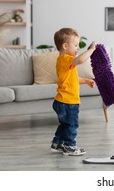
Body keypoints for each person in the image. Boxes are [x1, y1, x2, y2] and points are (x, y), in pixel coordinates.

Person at [50, 27, 96, 156]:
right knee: (71, 125)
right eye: (75, 45)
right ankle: (70, 146)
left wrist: (86, 81)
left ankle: (57, 143)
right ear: (65, 46)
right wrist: (91, 50)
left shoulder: (64, 62)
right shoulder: (65, 59)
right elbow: (80, 60)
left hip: (62, 101)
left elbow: (73, 79)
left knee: (65, 125)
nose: (77, 48)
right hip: (68, 102)